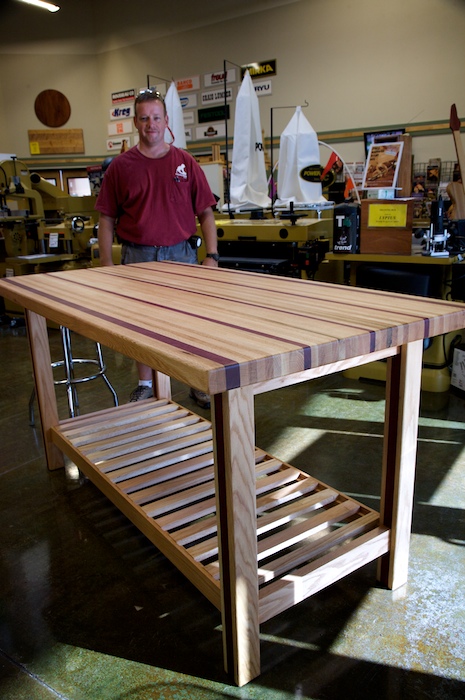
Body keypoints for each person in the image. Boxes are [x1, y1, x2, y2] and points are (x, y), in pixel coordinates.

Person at [95, 89, 219, 408]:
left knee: (190, 320)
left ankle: (196, 381)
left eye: (156, 117)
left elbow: (206, 212)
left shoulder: (185, 163)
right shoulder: (121, 167)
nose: (151, 124)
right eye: (145, 118)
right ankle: (145, 384)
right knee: (140, 323)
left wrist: (212, 256)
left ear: (166, 121)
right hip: (137, 256)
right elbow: (106, 218)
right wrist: (106, 263)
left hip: (181, 255)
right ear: (136, 122)